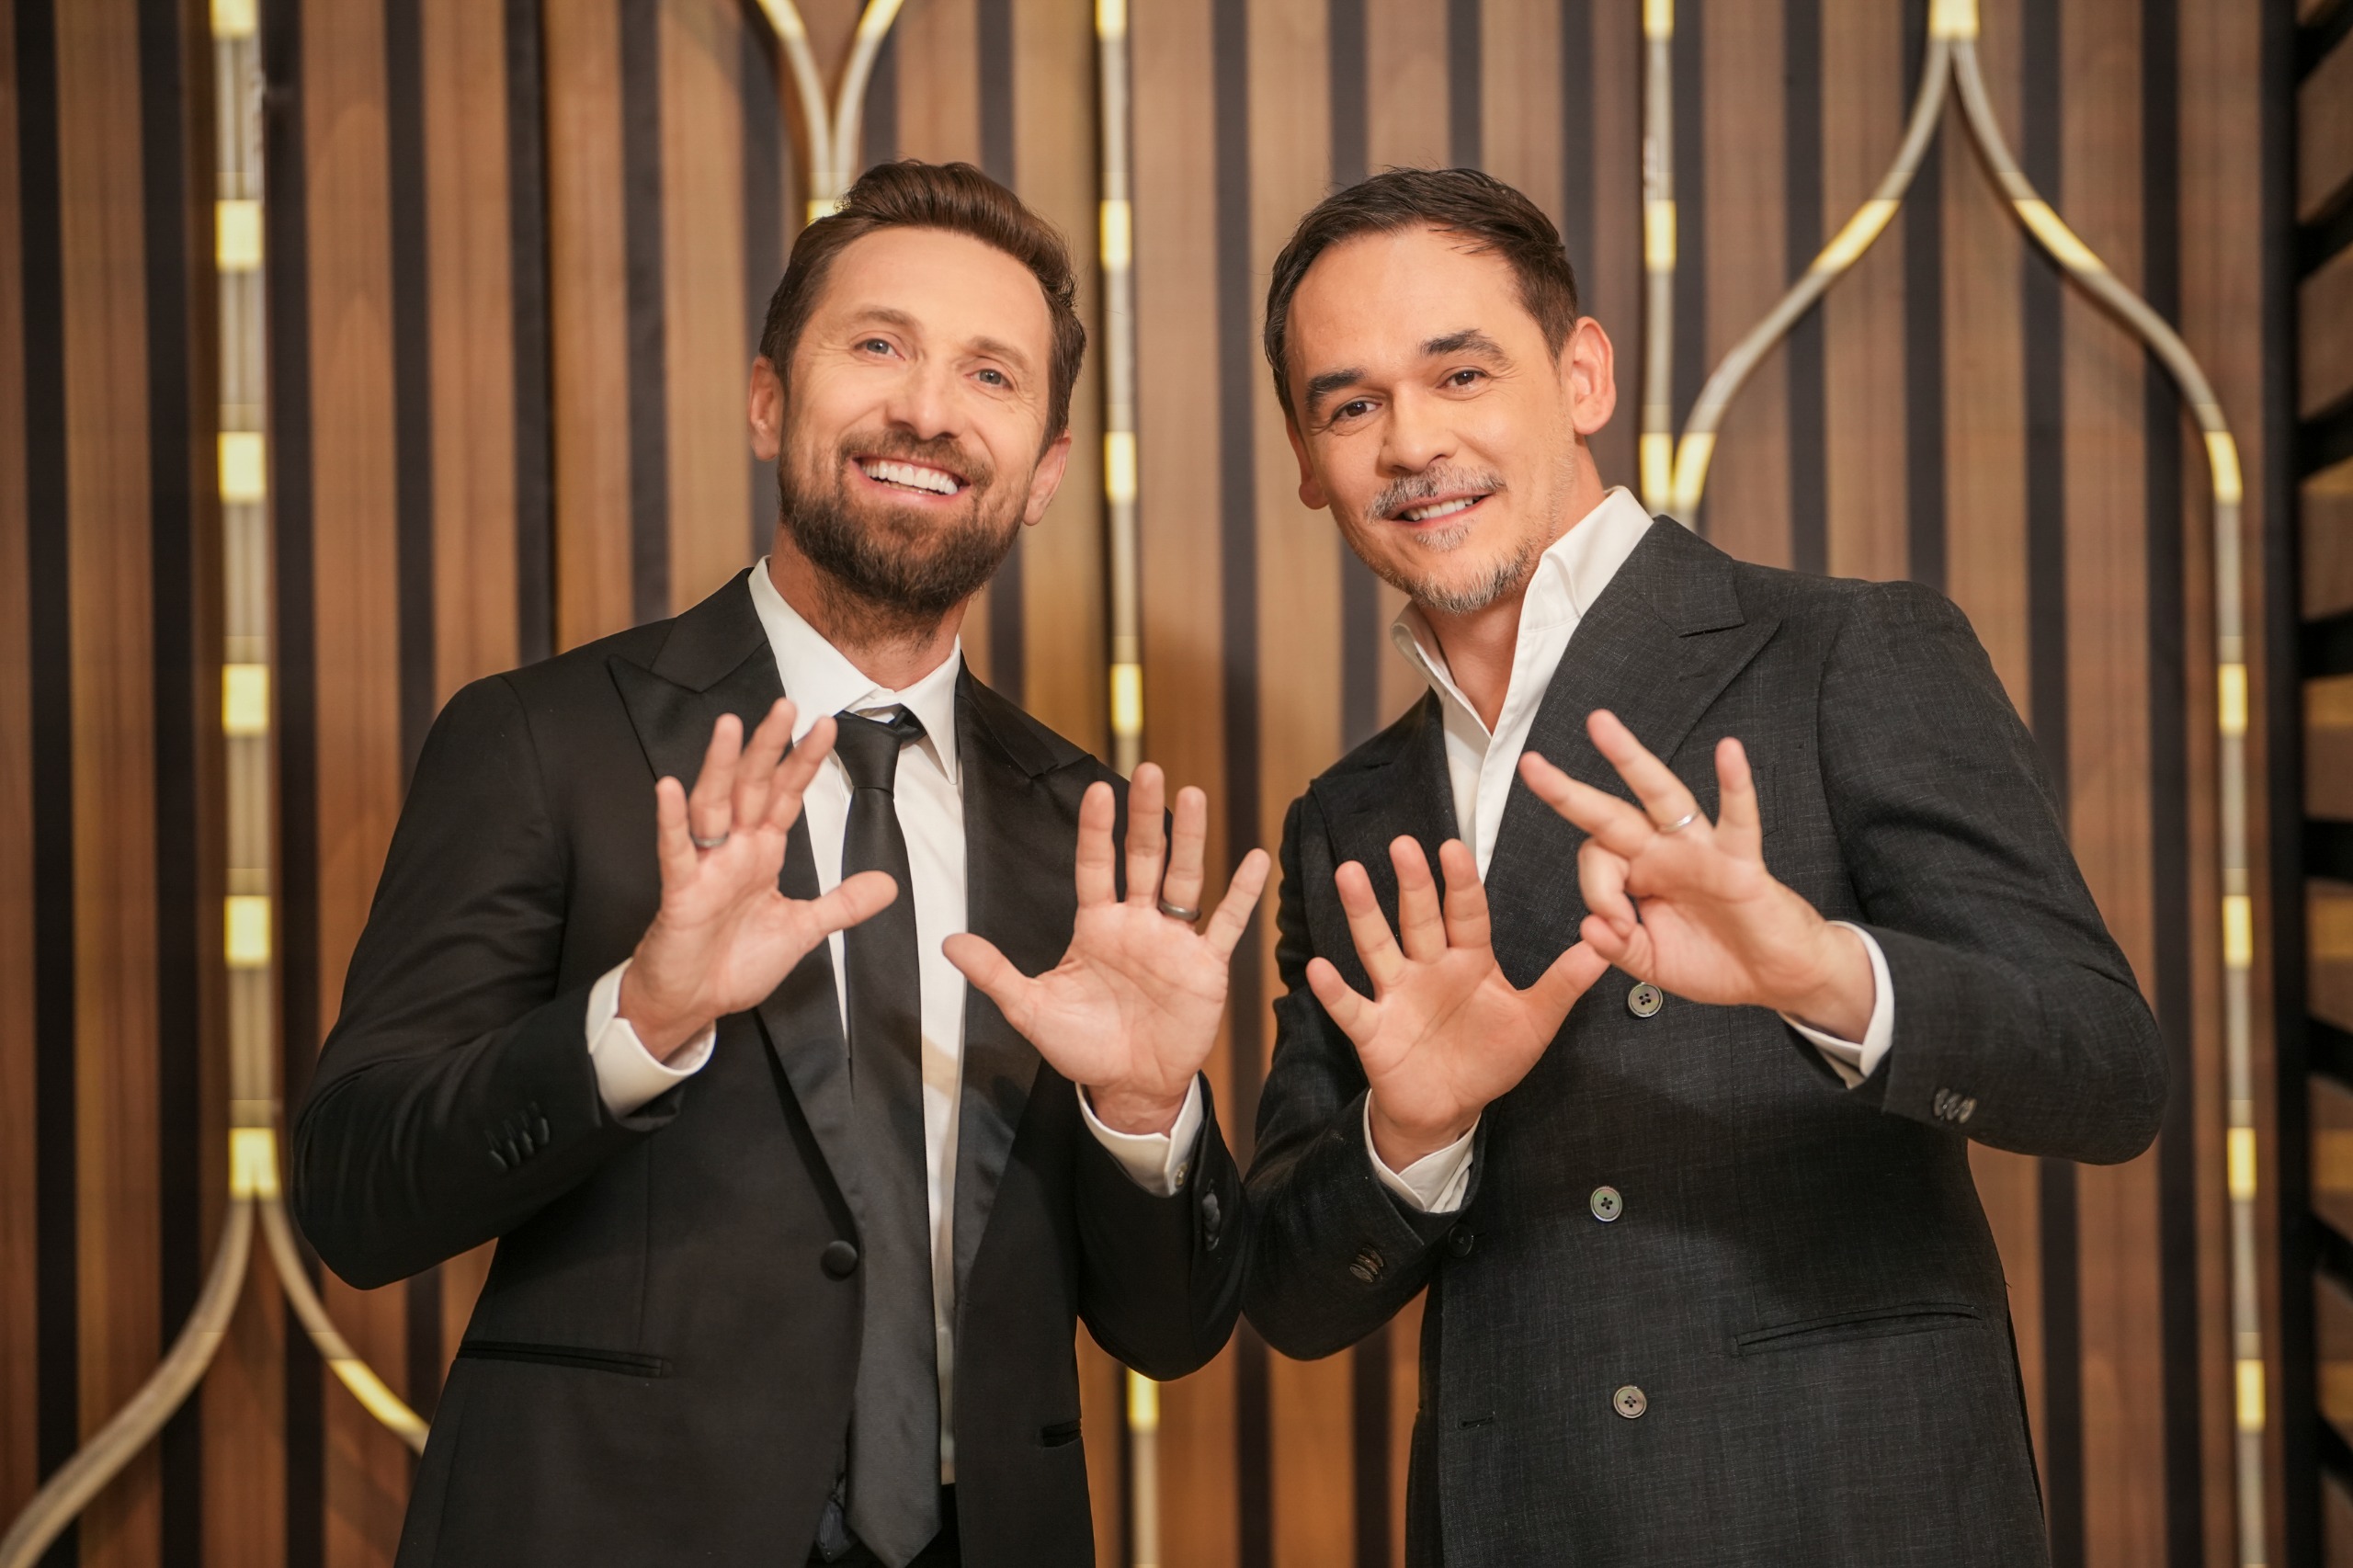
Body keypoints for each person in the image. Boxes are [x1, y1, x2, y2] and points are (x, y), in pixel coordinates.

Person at [291, 160, 1267, 1568]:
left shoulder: (1088, 831)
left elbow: (1171, 1333)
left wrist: (1143, 1111)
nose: (928, 409)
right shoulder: (544, 740)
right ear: (768, 401)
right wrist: (640, 1020)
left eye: (990, 375)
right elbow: (353, 1194)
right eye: (878, 346)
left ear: (1046, 471)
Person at [1240, 166, 2164, 1566]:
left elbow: (2109, 1072)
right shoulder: (1348, 818)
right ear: (1307, 462)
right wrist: (1411, 1138)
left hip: (1848, 1514)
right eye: (1351, 404)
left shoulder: (1845, 651)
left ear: (1583, 375)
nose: (1412, 442)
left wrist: (1830, 978)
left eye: (1462, 373)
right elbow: (1296, 1294)